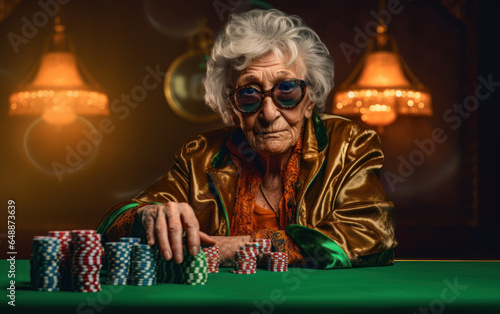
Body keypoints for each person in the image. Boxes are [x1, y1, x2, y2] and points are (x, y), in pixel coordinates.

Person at [97, 9, 397, 268]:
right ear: (232, 110)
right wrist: (147, 216)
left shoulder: (350, 143)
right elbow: (110, 226)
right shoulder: (199, 155)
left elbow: (370, 236)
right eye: (249, 94)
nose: (268, 113)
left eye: (287, 91)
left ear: (310, 101)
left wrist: (233, 248)